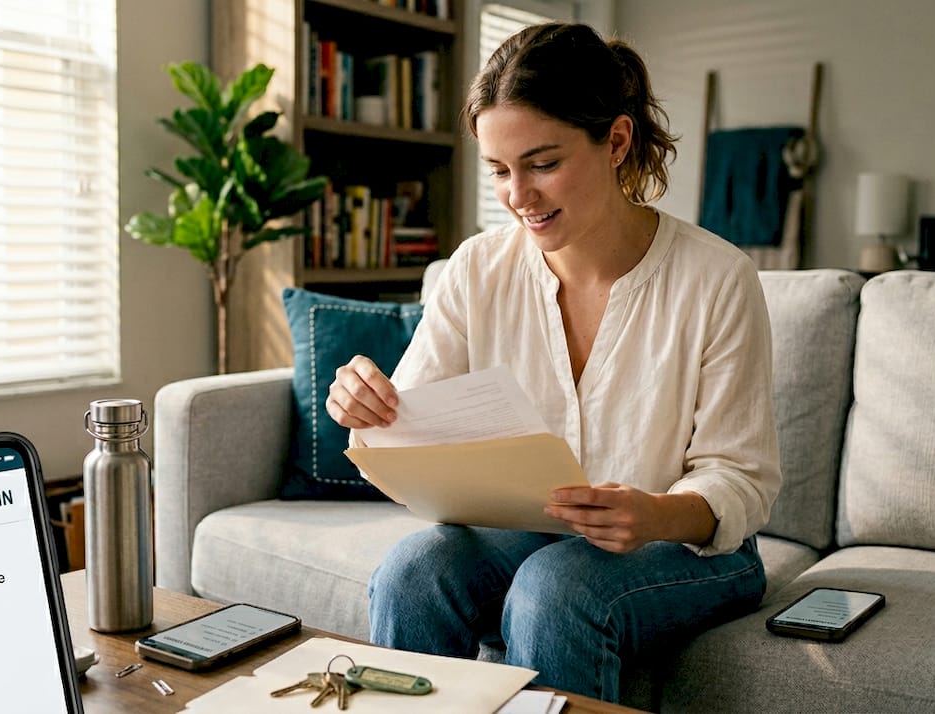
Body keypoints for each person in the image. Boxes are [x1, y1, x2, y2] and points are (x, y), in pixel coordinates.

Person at [325, 22, 781, 703]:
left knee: (556, 587)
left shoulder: (716, 278)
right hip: (531, 532)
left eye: (542, 163)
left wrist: (655, 514)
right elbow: (406, 432)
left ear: (617, 142)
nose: (518, 196)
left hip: (688, 549)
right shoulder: (476, 269)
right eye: (500, 170)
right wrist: (366, 408)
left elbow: (742, 477)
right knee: (413, 571)